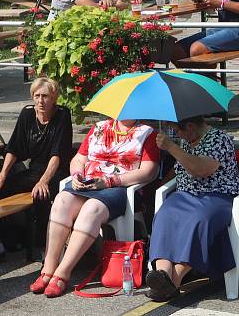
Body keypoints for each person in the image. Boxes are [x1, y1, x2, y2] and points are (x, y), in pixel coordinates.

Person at [30, 118, 159, 298]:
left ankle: (63, 272)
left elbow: (150, 170)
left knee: (91, 209)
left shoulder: (147, 133)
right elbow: (78, 159)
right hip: (88, 183)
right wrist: (76, 175)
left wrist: (109, 181)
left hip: (117, 187)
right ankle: (49, 268)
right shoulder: (99, 128)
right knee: (61, 201)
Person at [0, 78, 71, 267]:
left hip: (55, 173)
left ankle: (47, 252)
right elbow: (14, 148)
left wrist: (44, 180)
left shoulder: (62, 115)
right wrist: (2, 175)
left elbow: (57, 155)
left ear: (54, 98)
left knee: (41, 196)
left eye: (45, 96)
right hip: (33, 171)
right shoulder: (27, 114)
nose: (40, 101)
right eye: (37, 96)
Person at [146, 116, 239, 301]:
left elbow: (201, 169)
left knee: (199, 220)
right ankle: (162, 275)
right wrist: (161, 185)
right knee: (164, 215)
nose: (177, 134)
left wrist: (171, 147)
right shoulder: (187, 140)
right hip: (184, 195)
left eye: (177, 130)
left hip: (216, 196)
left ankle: (173, 281)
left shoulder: (219, 139)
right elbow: (179, 169)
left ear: (190, 126)